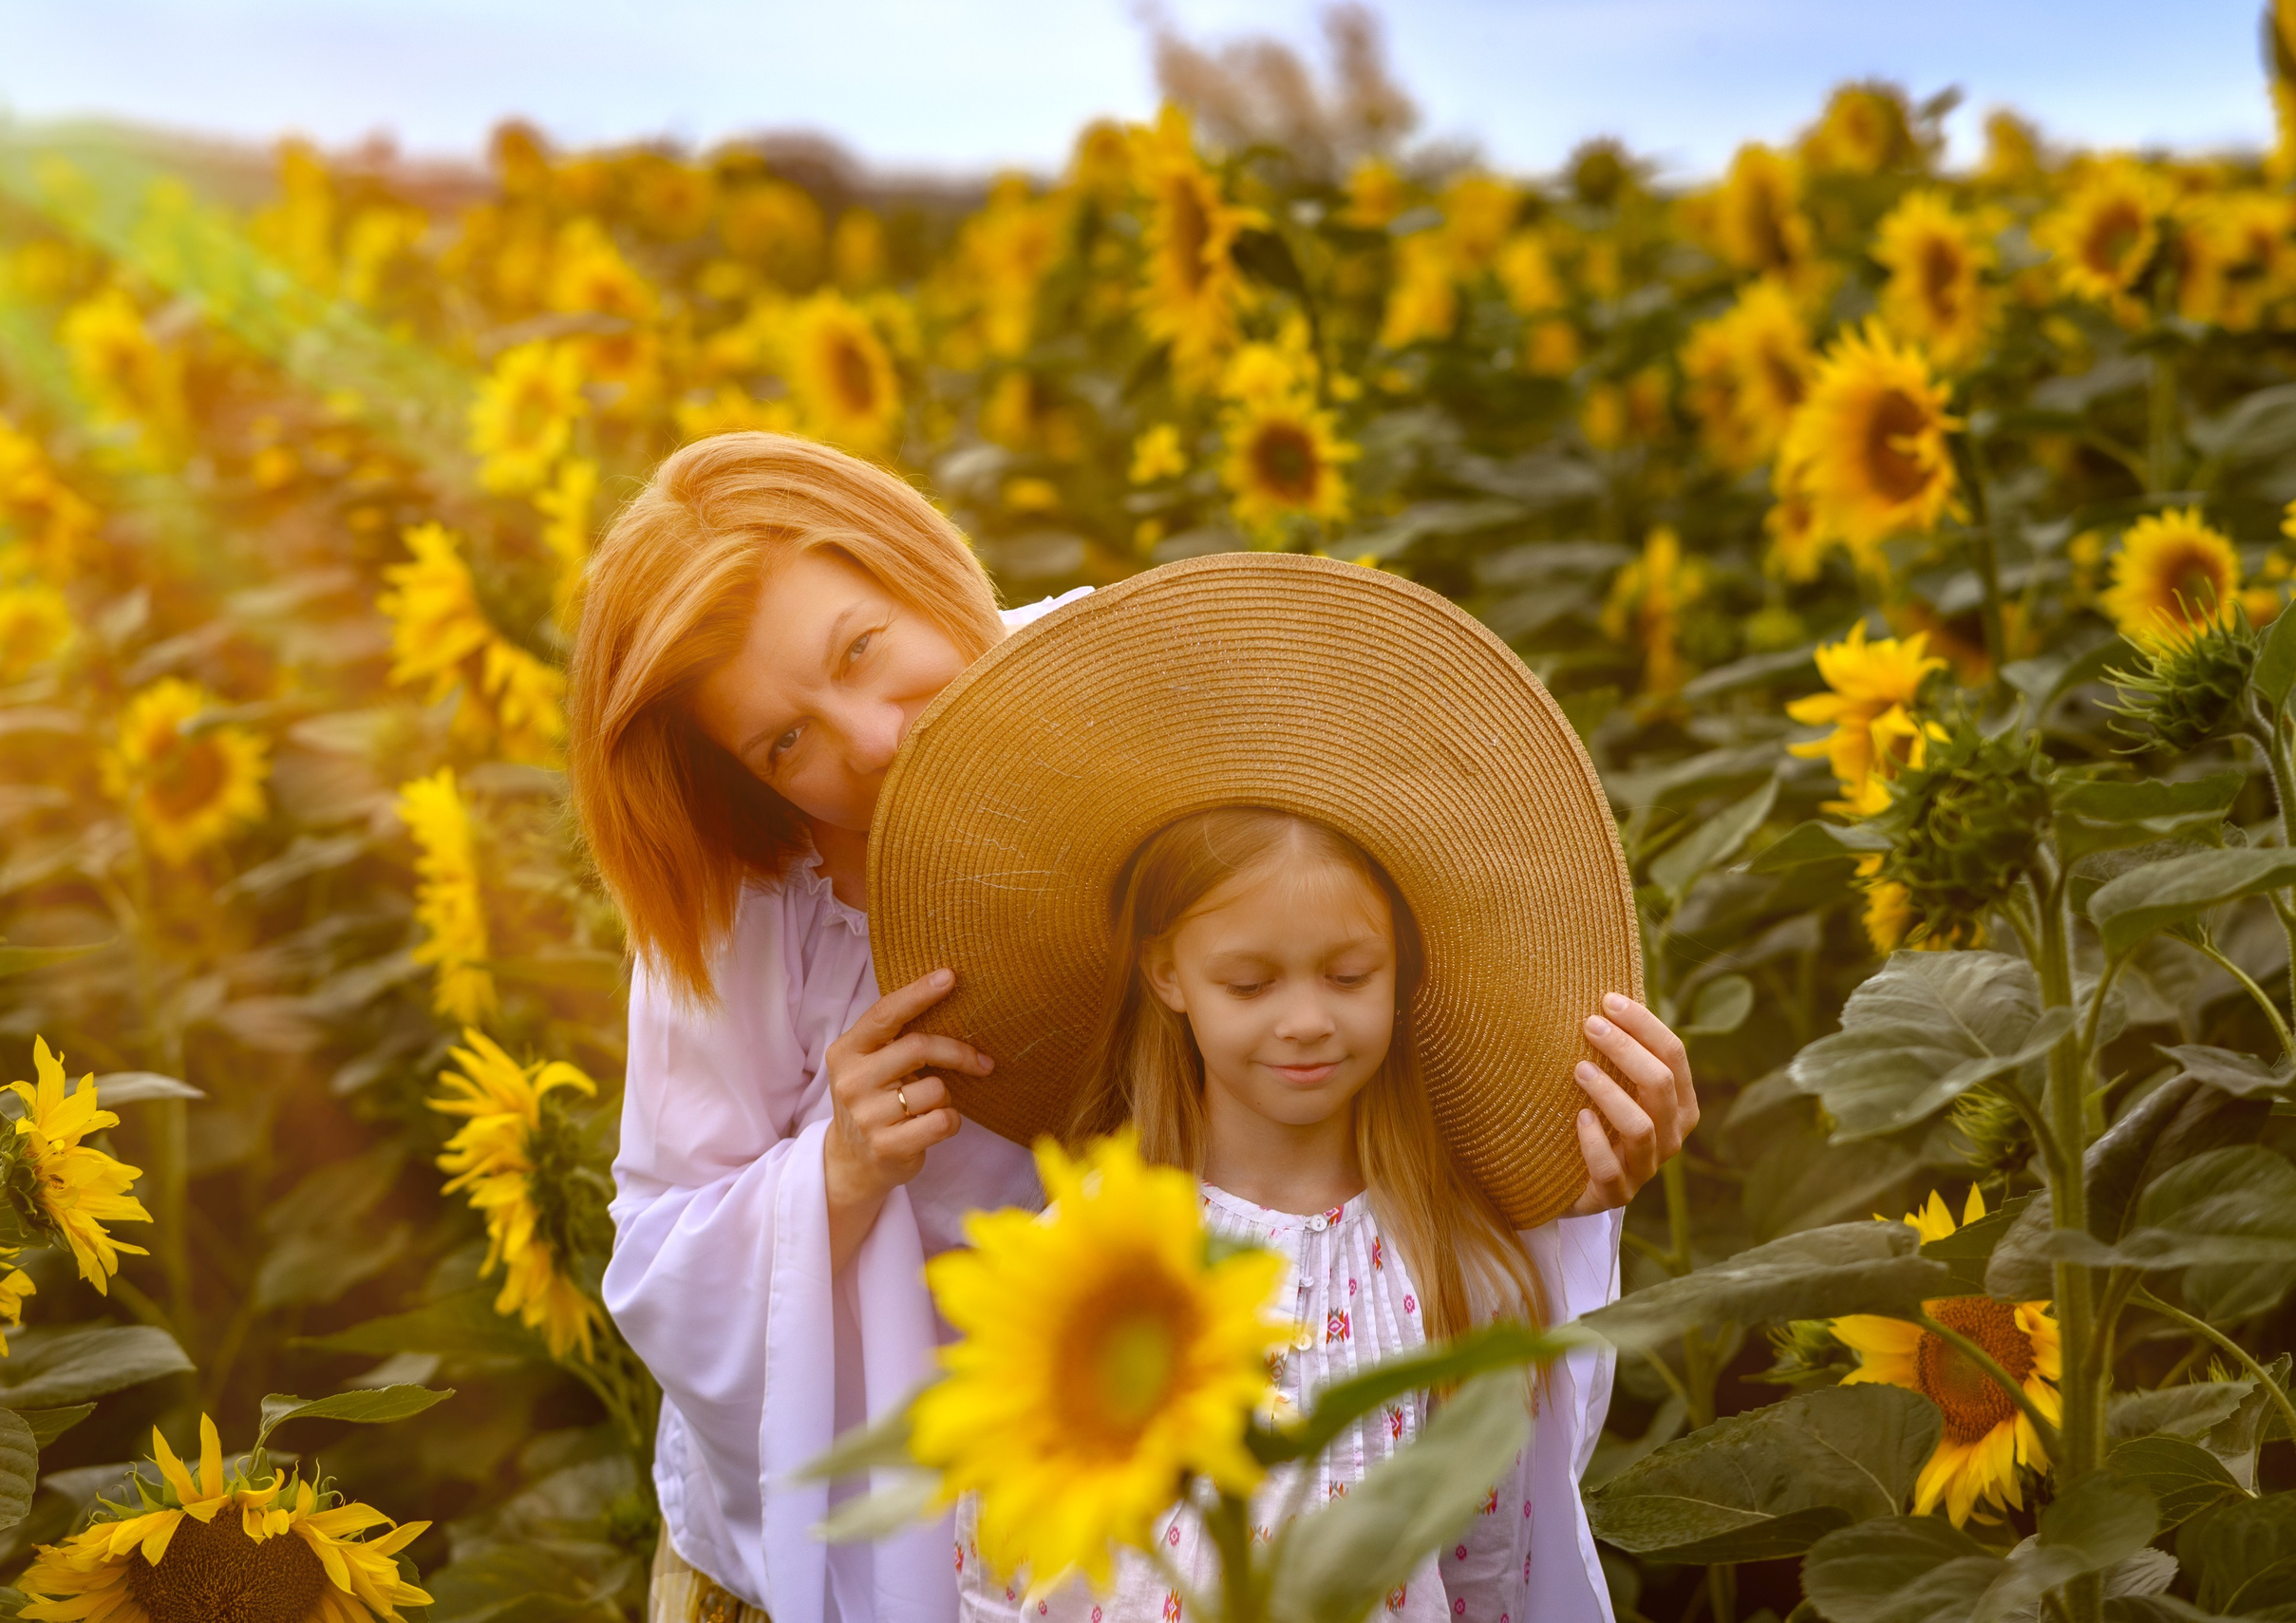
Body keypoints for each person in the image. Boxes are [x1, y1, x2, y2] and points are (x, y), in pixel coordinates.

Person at [567, 433, 1695, 1623]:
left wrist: (1570, 1147)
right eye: (782, 741)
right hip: (927, 1539)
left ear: (910, 563)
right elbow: (661, 1256)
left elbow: (1374, 978)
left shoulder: (1137, 692)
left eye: (862, 648)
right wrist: (836, 1173)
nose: (872, 738)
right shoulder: (747, 904)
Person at [864, 553, 1676, 1623]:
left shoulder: (1449, 1261)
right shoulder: (1090, 1253)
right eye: (1248, 980)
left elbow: (1489, 1563)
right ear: (1168, 975)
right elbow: (1002, 1560)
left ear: (1403, 968)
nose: (1304, 1018)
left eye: (1349, 974)